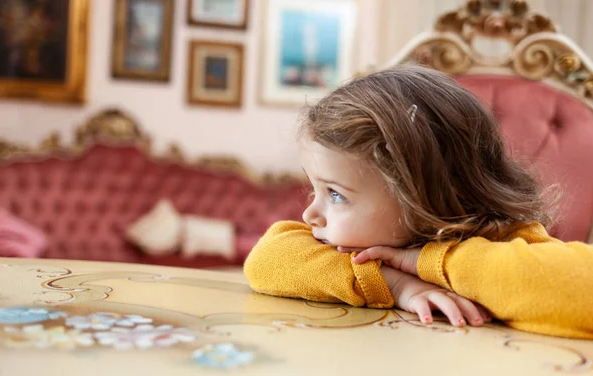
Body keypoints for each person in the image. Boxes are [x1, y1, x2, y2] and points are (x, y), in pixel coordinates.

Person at [244, 64, 593, 339]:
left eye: (335, 194)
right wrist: (395, 284)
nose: (310, 213)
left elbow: (583, 290)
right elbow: (266, 260)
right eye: (314, 189)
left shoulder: (506, 238)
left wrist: (429, 262)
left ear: (422, 196)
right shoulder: (355, 249)